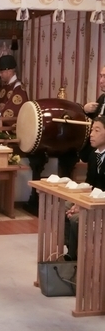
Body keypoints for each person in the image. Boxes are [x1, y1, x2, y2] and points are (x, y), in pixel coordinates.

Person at [65, 116, 105, 260]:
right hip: (93, 200)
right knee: (65, 207)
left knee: (76, 219)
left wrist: (83, 206)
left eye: (97, 130)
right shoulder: (93, 156)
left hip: (101, 204)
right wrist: (78, 204)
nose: (91, 134)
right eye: (92, 130)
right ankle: (71, 250)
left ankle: (77, 258)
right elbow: (90, 184)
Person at [79, 65, 105, 162]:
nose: (101, 81)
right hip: (96, 147)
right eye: (101, 76)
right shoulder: (102, 98)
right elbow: (94, 120)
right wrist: (85, 110)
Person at [0, 55, 28, 124]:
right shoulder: (4, 87)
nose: (0, 75)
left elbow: (14, 110)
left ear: (9, 71)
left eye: (1, 72)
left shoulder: (18, 88)